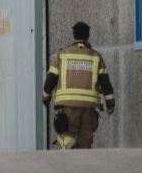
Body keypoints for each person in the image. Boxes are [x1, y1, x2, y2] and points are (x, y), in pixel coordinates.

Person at [40, 21, 114, 149]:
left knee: (67, 135)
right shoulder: (96, 57)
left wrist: (46, 98)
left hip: (67, 107)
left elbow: (50, 79)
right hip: (88, 108)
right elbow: (106, 83)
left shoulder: (62, 55)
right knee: (85, 142)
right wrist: (110, 104)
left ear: (73, 35)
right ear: (88, 36)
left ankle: (68, 149)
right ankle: (82, 164)